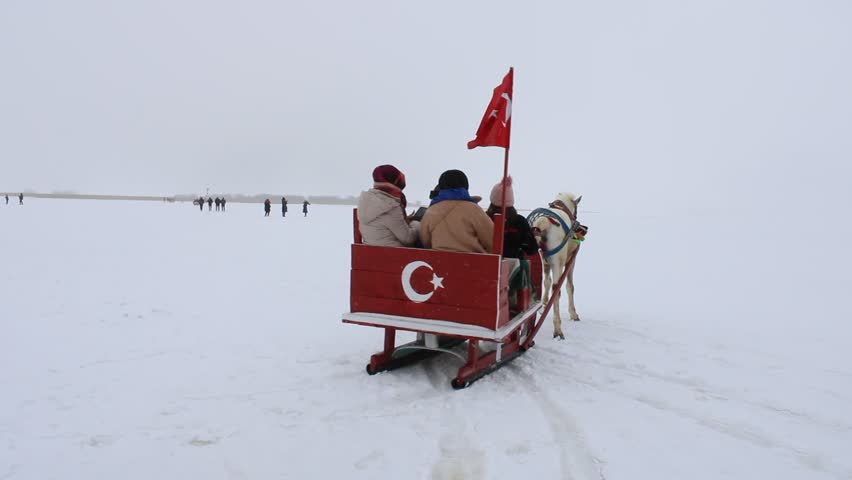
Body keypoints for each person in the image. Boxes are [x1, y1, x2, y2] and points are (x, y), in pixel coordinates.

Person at [420, 169, 493, 253]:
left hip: (438, 259)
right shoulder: (474, 210)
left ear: (441, 187)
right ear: (465, 186)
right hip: (471, 259)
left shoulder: (432, 211)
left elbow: (425, 241)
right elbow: (492, 239)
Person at [357, 164, 419, 247]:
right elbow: (408, 239)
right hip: (394, 253)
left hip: (370, 252)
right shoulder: (390, 206)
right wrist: (416, 226)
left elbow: (382, 225)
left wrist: (403, 220)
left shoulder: (368, 202)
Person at [485, 177, 539, 259]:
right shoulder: (520, 221)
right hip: (514, 264)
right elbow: (532, 249)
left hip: (486, 262)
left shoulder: (483, 219)